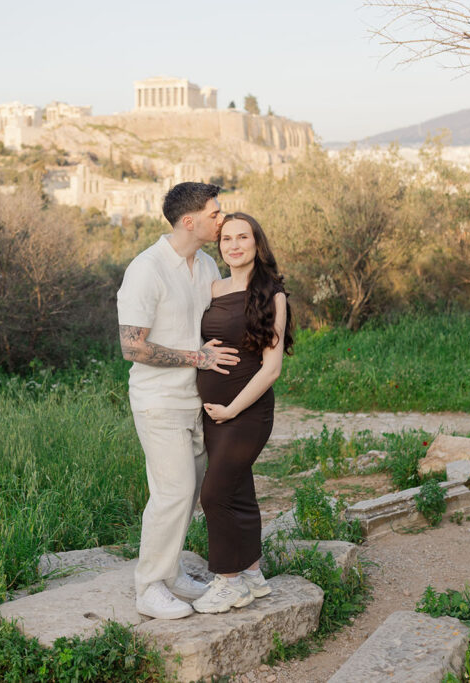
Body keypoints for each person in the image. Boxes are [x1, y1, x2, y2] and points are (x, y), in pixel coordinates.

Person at [116, 182, 241, 620]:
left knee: (189, 495)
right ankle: (148, 587)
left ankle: (170, 575)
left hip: (196, 400)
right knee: (173, 492)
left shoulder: (205, 264)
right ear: (189, 221)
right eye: (214, 213)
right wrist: (197, 357)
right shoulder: (146, 269)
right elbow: (132, 346)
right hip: (159, 401)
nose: (221, 219)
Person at [191, 212, 294, 614]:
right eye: (227, 238)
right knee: (239, 490)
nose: (234, 245)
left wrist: (231, 409)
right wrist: (199, 355)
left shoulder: (272, 295)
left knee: (214, 494)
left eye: (243, 237)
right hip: (215, 413)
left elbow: (272, 368)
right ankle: (251, 572)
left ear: (257, 243)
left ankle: (228, 581)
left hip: (247, 413)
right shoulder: (213, 288)